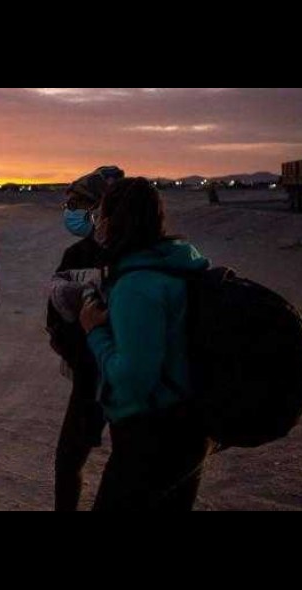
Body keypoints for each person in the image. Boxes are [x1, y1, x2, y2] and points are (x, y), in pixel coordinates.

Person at [79, 177, 213, 510]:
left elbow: (133, 380)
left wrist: (94, 332)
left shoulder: (137, 285)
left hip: (152, 434)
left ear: (114, 221)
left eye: (100, 215)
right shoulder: (176, 266)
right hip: (189, 426)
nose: (97, 224)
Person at [46, 165, 124, 511]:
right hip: (89, 378)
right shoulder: (76, 255)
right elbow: (55, 319)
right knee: (68, 461)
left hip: (129, 379)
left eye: (77, 204)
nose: (70, 211)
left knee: (125, 464)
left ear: (100, 208)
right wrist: (77, 353)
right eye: (69, 204)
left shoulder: (133, 256)